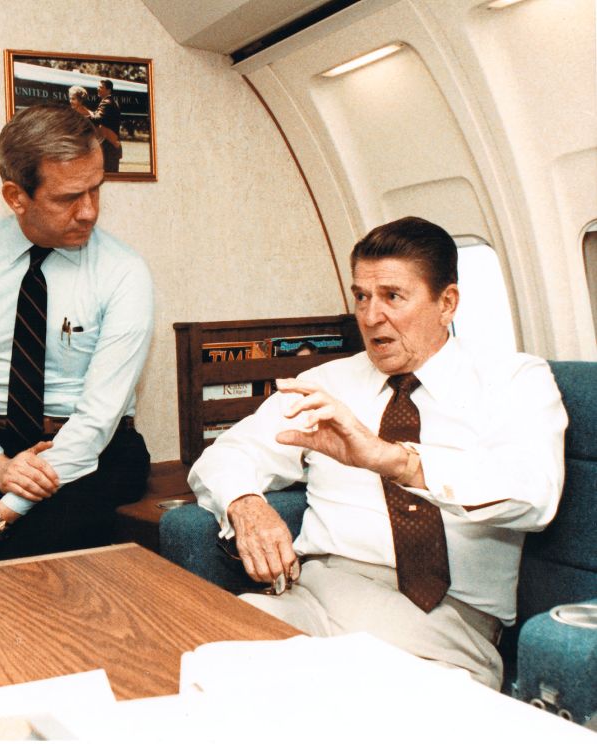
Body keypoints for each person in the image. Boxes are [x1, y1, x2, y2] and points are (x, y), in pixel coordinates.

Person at [186, 216, 566, 690]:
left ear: (447, 303)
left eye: (392, 296)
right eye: (361, 296)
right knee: (199, 663)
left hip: (441, 633)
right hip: (315, 602)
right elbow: (227, 455)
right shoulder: (327, 384)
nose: (370, 316)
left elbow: (535, 497)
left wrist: (396, 461)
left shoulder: (514, 381)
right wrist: (246, 505)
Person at [0, 104, 153, 572]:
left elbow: (98, 419)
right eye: (68, 198)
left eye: (96, 190)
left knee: (13, 580)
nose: (90, 212)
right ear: (16, 196)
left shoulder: (124, 273)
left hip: (93, 459)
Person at [70, 79, 123, 173]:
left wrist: (82, 117)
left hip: (109, 146)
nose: (97, 89)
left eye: (100, 87)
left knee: (108, 174)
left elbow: (97, 119)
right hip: (110, 144)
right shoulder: (109, 101)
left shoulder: (107, 102)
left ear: (108, 90)